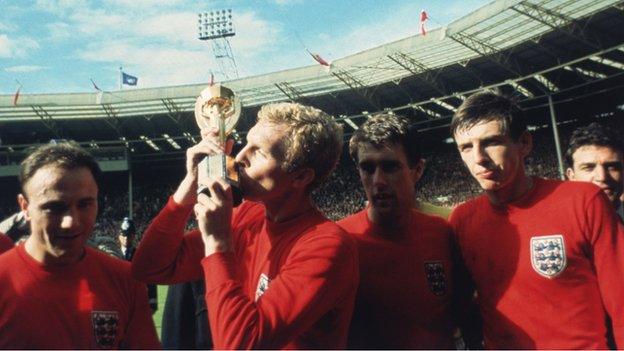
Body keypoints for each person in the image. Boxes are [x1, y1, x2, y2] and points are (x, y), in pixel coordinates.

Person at [132, 102, 359, 349]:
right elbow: (149, 268)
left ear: (301, 177)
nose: (240, 157)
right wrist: (188, 188)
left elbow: (240, 345)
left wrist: (218, 244)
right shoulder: (246, 216)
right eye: (246, 144)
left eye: (259, 152)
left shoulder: (326, 246)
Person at [449, 91, 624, 349]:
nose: (478, 157)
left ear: (524, 143)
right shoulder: (463, 219)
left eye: (491, 142)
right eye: (466, 147)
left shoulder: (583, 200)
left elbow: (620, 299)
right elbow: (462, 306)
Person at [0, 142, 160, 349]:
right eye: (54, 207)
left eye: (85, 204)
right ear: (25, 207)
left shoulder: (125, 280)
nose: (71, 222)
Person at [338, 114, 473, 349]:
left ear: (417, 170)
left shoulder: (443, 232)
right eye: (367, 168)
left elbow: (464, 310)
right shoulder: (339, 241)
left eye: (390, 167)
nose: (378, 180)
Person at [566, 122, 623, 220]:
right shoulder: (557, 226)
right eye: (589, 168)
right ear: (571, 176)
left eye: (612, 167)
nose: (602, 177)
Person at [118, 217, 158, 314]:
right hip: (118, 303)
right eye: (124, 234)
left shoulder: (141, 256)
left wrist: (152, 302)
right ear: (119, 236)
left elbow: (150, 280)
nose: (126, 238)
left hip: (137, 303)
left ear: (133, 236)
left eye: (129, 234)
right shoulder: (113, 255)